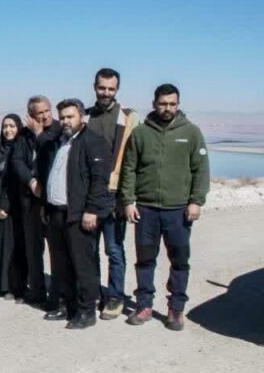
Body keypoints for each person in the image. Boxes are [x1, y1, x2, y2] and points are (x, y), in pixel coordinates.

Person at [121, 84, 210, 331]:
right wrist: (128, 201)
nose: (167, 108)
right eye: (163, 103)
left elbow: (201, 170)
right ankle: (144, 305)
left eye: (172, 104)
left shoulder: (191, 132)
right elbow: (129, 168)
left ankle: (176, 309)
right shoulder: (140, 133)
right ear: (154, 104)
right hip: (146, 209)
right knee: (145, 260)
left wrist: (196, 201)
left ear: (178, 105)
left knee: (179, 261)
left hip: (178, 210)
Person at [37, 99, 112, 329]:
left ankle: (87, 311)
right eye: (62, 117)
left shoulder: (93, 141)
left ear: (82, 116)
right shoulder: (62, 142)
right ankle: (68, 307)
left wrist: (91, 210)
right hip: (57, 213)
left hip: (79, 215)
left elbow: (99, 180)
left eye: (70, 117)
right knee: (62, 264)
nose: (66, 121)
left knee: (83, 265)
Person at [84, 68, 140, 319]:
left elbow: (133, 161)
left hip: (114, 195)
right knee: (89, 249)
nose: (106, 93)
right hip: (89, 197)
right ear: (94, 87)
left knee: (114, 250)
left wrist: (127, 198)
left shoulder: (128, 117)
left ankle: (115, 297)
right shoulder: (86, 116)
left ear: (116, 90)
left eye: (111, 89)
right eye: (102, 88)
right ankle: (94, 292)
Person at [16, 95, 61, 305]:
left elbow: (54, 157)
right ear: (31, 116)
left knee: (57, 250)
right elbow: (17, 160)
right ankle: (37, 290)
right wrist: (31, 181)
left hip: (52, 201)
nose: (44, 116)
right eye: (39, 113)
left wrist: (40, 134)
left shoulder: (60, 131)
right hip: (31, 200)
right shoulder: (24, 135)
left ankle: (57, 294)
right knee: (33, 249)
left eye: (47, 111)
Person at [0, 114, 28, 301]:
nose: (8, 130)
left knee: (14, 249)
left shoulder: (21, 149)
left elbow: (16, 181)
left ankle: (15, 287)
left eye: (12, 126)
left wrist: (6, 205)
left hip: (15, 207)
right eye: (5, 126)